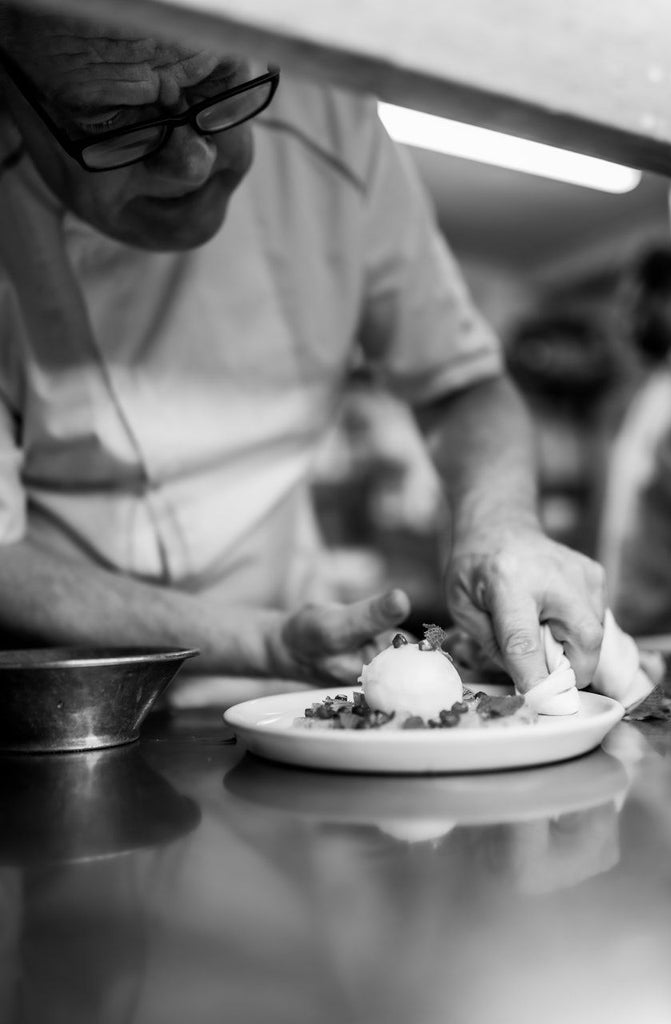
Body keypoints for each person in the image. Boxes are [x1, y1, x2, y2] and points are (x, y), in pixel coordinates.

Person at [0, 3, 606, 699]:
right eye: (114, 122)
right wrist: (261, 639)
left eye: (218, 88)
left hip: (300, 682)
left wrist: (500, 523)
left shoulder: (330, 121)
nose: (193, 161)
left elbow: (461, 384)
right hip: (59, 698)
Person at [599, 247, 671, 636]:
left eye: (635, 302)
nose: (625, 318)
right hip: (639, 628)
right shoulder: (657, 385)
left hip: (669, 631)